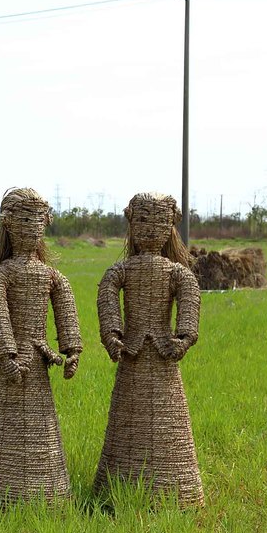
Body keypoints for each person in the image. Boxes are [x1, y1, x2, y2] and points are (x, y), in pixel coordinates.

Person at [0, 187, 82, 505]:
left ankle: (44, 493)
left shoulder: (52, 276)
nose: (33, 226)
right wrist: (6, 354)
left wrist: (72, 350)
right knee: (6, 424)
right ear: (9, 224)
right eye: (25, 219)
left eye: (38, 219)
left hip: (40, 361)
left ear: (46, 223)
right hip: (12, 366)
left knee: (40, 427)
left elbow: (65, 310)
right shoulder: (0, 276)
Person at [94, 193, 204, 506]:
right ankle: (122, 486)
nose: (151, 228)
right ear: (130, 221)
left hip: (164, 354)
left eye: (159, 221)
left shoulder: (176, 272)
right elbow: (107, 293)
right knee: (128, 421)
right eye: (142, 220)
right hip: (132, 354)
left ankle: (174, 490)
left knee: (169, 424)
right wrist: (112, 333)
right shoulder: (122, 270)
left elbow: (189, 296)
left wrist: (184, 336)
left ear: (172, 224)